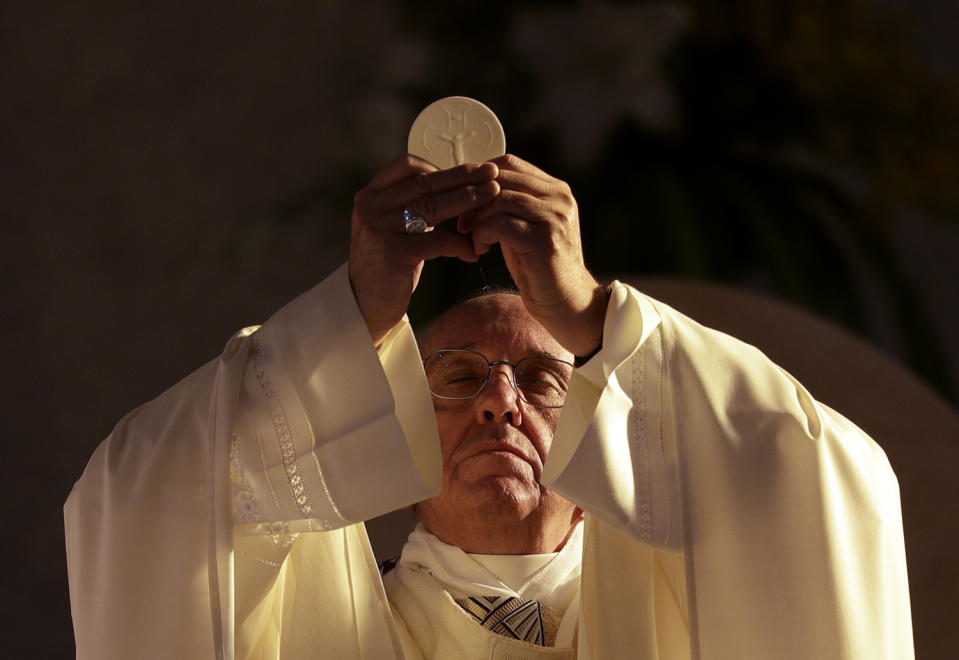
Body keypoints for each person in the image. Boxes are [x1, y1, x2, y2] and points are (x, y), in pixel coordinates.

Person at [65, 154, 914, 659]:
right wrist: (354, 312)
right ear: (378, 438)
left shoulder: (695, 614)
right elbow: (150, 500)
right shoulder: (299, 630)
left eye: (545, 380)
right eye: (459, 376)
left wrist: (591, 313)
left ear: (615, 443)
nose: (501, 405)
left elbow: (818, 485)